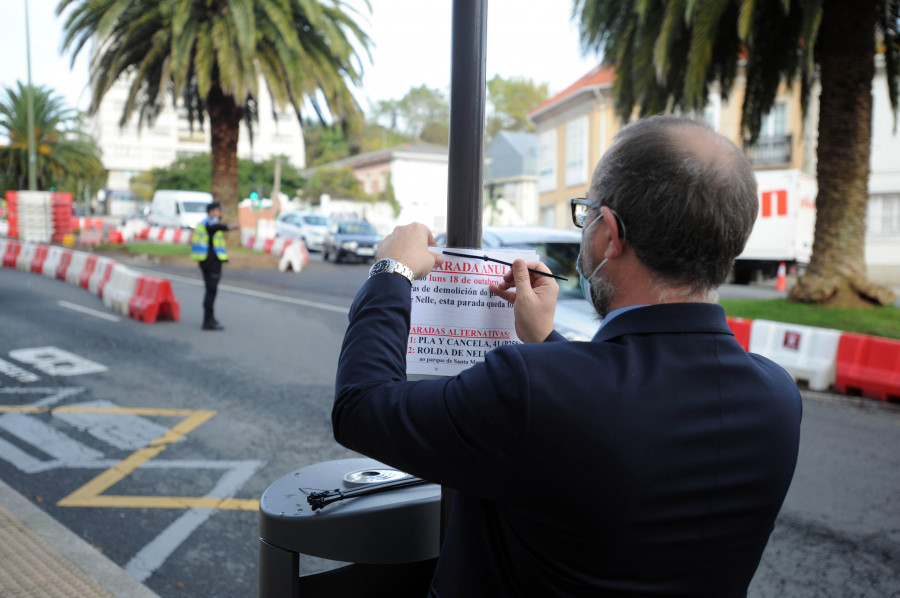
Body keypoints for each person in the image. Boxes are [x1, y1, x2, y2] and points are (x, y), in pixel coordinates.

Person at [333, 115, 802, 597]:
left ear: (609, 234)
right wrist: (546, 340)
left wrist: (391, 271)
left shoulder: (532, 389)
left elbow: (360, 409)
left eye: (587, 213)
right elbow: (622, 420)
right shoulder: (778, 398)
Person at [191, 201, 237, 331]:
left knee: (210, 291)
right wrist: (231, 227)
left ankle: (210, 318)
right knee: (211, 291)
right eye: (219, 210)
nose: (221, 213)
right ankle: (208, 321)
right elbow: (215, 228)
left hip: (205, 260)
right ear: (211, 212)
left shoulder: (204, 222)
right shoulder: (209, 222)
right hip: (211, 262)